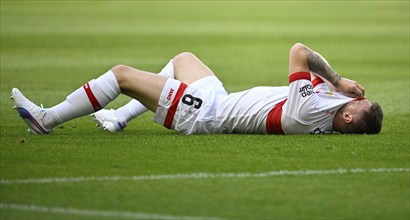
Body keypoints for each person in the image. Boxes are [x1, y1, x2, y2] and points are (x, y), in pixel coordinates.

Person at [11, 43, 383, 135]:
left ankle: (47, 119)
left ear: (347, 115)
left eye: (356, 102)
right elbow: (315, 71)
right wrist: (343, 89)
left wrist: (339, 81)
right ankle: (120, 118)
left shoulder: (306, 110)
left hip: (204, 113)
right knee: (182, 59)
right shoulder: (324, 111)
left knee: (122, 74)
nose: (352, 96)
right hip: (218, 100)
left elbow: (300, 51)